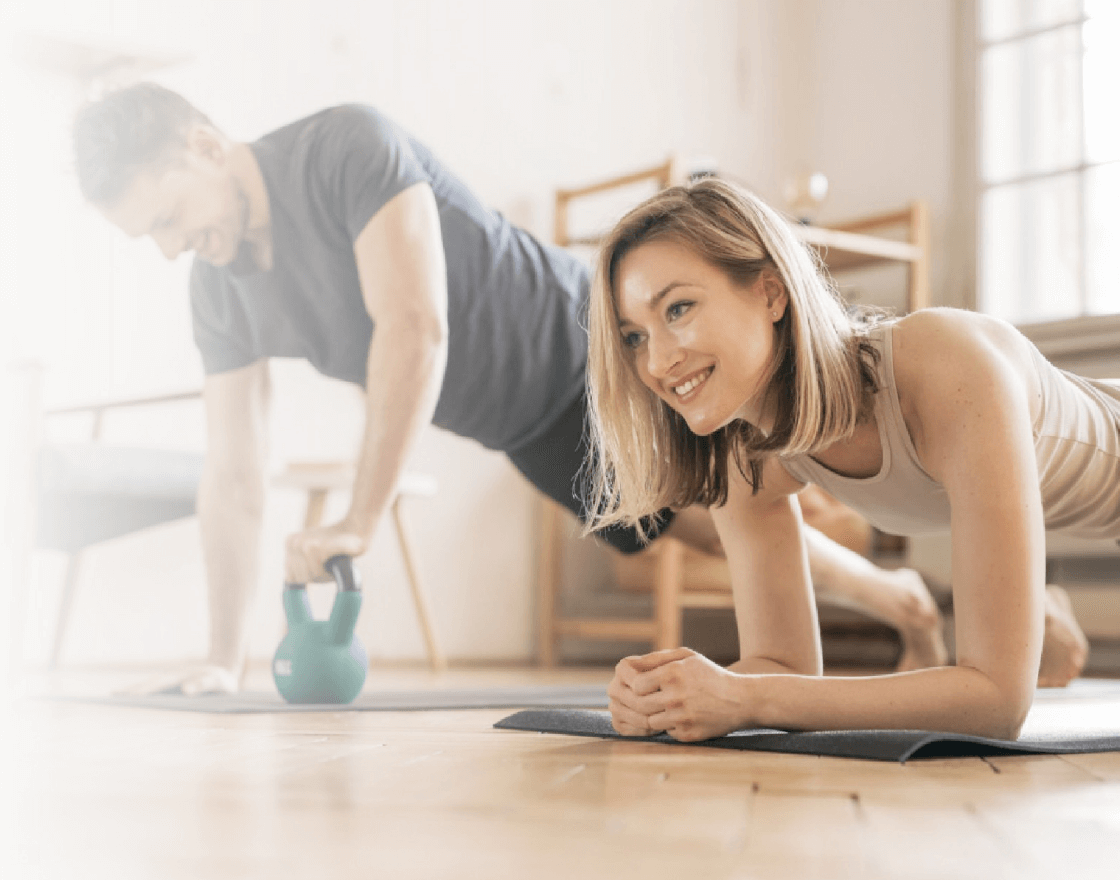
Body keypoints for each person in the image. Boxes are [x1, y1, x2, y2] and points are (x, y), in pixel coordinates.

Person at [69, 84, 1058, 695]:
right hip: (521, 425)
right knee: (695, 527)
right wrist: (220, 657)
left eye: (167, 215)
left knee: (730, 510)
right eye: (145, 238)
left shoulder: (343, 150)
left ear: (202, 143)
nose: (169, 248)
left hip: (583, 355)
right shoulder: (219, 287)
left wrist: (359, 519)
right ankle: (902, 601)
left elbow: (416, 328)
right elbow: (234, 474)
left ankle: (913, 600)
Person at [586, 178, 1101, 742]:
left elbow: (998, 703)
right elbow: (782, 669)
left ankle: (1038, 611)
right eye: (634, 337)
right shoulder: (743, 460)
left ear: (771, 293)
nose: (658, 361)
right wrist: (672, 694)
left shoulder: (947, 366)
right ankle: (1037, 610)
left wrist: (748, 696)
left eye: (678, 308)